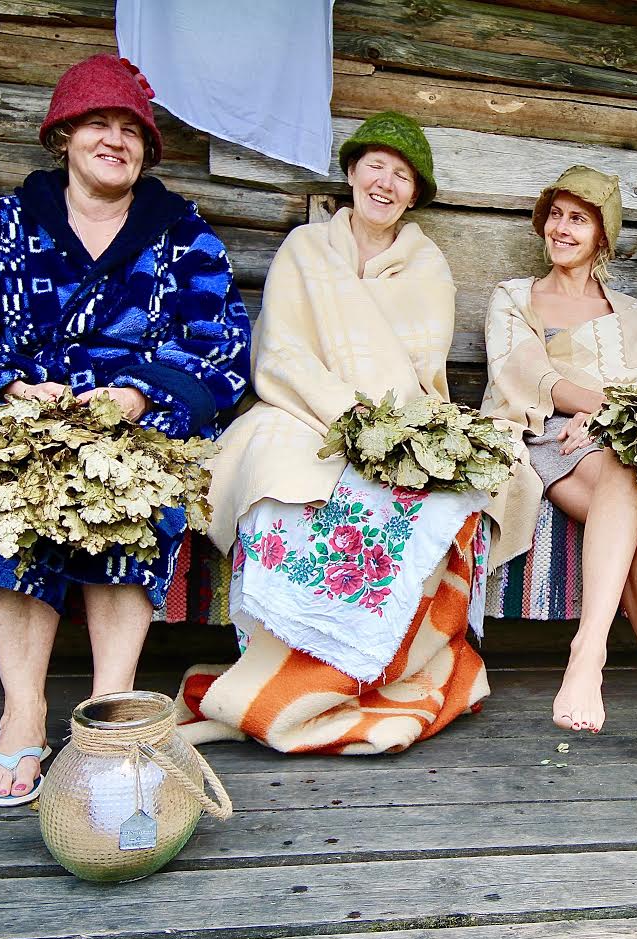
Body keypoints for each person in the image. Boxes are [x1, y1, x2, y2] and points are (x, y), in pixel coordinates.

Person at [0, 53, 252, 806]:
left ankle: (109, 715)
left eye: (131, 129)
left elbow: (220, 349)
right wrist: (13, 390)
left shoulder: (183, 237)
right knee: (10, 504)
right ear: (62, 135)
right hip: (21, 420)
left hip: (134, 426)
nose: (115, 139)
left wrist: (135, 398)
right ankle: (23, 712)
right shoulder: (5, 225)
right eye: (98, 122)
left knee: (133, 503)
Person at [187, 112, 491, 755]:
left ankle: (372, 671)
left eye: (402, 175)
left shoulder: (427, 266)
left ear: (414, 195)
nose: (385, 182)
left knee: (434, 497)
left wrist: (384, 431)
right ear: (351, 173)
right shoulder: (305, 248)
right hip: (300, 410)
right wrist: (344, 419)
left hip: (397, 420)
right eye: (375, 166)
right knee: (273, 478)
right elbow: (281, 352)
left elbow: (421, 367)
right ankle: (279, 668)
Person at [481, 165, 637, 807]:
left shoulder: (634, 314)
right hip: (549, 437)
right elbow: (522, 371)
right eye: (556, 215)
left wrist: (611, 421)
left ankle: (632, 685)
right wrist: (598, 410)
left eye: (578, 219)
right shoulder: (515, 298)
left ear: (602, 237)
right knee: (631, 477)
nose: (562, 228)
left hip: (619, 446)